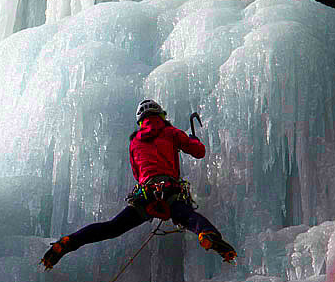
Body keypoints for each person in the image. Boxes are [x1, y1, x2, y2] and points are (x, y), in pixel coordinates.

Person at [41, 99, 237, 269]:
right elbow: (198, 152)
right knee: (189, 216)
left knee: (112, 227)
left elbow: (137, 173)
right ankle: (207, 234)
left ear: (140, 121)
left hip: (145, 195)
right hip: (169, 190)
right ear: (160, 115)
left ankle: (69, 241)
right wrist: (194, 140)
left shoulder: (134, 142)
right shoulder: (171, 132)